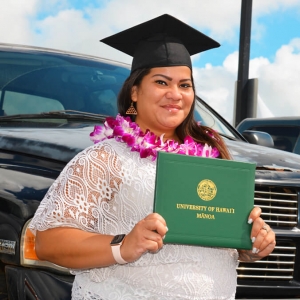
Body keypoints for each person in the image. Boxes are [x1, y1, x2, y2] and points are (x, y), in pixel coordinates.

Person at [29, 14, 276, 300]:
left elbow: (221, 245)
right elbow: (48, 242)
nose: (175, 94)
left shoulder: (213, 161)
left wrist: (252, 242)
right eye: (162, 82)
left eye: (185, 85)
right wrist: (122, 246)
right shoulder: (104, 158)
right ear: (134, 91)